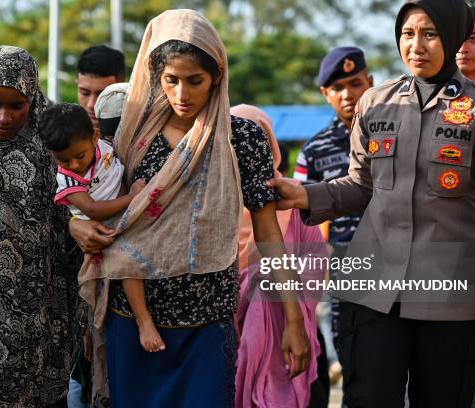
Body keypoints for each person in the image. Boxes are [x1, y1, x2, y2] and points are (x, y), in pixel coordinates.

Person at [69, 9, 311, 407]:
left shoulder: (241, 139)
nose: (182, 95)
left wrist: (294, 320)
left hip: (208, 323)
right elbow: (84, 196)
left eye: (194, 81)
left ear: (217, 74)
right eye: (171, 81)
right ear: (156, 77)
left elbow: (268, 233)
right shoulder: (131, 135)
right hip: (133, 320)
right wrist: (73, 224)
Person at [268, 0, 475, 406]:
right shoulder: (376, 103)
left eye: (429, 34)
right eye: (408, 34)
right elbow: (360, 186)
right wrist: (305, 194)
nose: (416, 46)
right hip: (375, 292)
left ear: (451, 36)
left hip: (450, 294)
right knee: (369, 398)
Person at [0, 46, 81, 407]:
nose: (4, 117)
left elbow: (72, 211)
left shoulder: (53, 138)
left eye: (17, 106)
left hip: (32, 302)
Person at [39, 103, 162, 353]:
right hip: (105, 228)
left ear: (95, 136)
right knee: (126, 264)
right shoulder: (67, 179)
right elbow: (93, 210)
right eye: (63, 159)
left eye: (79, 155)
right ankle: (143, 319)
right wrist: (133, 198)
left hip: (128, 213)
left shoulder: (106, 146)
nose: (73, 163)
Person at [231, 104, 325, 408]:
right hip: (227, 330)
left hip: (288, 327)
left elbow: (314, 266)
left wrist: (266, 290)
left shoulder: (293, 196)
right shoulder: (213, 201)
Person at [294, 46, 374, 386]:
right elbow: (296, 220)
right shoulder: (314, 150)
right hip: (345, 266)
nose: (348, 95)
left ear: (370, 83)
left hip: (401, 261)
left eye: (355, 84)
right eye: (338, 88)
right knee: (353, 355)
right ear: (326, 95)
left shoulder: (396, 134)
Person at [77, 45, 126, 130]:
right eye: (85, 93)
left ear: (123, 90)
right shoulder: (59, 136)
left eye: (103, 95)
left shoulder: (144, 133)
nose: (91, 105)